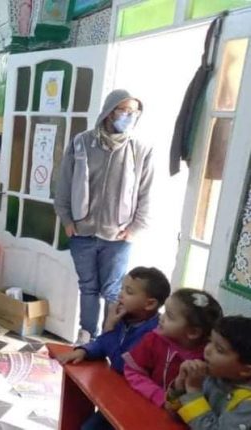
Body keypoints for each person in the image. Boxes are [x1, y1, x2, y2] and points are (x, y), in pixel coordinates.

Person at [54, 89, 155, 345]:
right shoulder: (81, 142)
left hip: (118, 236)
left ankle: (109, 340)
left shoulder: (140, 149)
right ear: (109, 112)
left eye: (134, 112)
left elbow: (146, 194)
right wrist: (67, 220)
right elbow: (64, 184)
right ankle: (87, 336)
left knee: (113, 291)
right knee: (88, 287)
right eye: (124, 111)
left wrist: (134, 229)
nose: (129, 116)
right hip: (82, 232)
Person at [56, 267, 171, 430]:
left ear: (150, 304)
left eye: (129, 292)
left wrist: (109, 326)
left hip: (139, 401)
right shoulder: (126, 318)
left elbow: (121, 364)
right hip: (119, 390)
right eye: (122, 288)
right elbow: (103, 344)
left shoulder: (152, 334)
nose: (120, 294)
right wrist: (84, 351)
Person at [123, 289, 222, 407]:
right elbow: (132, 371)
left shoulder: (208, 358)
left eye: (169, 316)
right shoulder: (153, 340)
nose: (161, 317)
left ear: (193, 332)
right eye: (164, 311)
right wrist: (159, 396)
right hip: (146, 404)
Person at [167, 316, 251, 429]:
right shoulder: (213, 374)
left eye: (219, 349)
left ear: (246, 370)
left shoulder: (247, 404)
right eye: (210, 341)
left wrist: (193, 390)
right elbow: (177, 416)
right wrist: (180, 386)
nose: (207, 350)